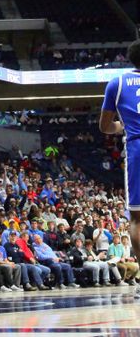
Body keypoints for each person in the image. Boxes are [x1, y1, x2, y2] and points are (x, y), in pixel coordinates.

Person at [99, 40, 140, 295]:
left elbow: (105, 126)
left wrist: (122, 126)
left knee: (137, 218)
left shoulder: (118, 83)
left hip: (138, 147)